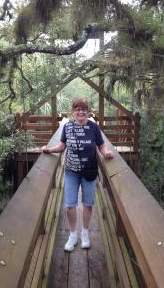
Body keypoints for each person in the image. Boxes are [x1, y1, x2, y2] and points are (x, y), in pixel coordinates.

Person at [42, 98, 114, 252]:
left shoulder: (94, 127)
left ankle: (85, 233)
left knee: (88, 203)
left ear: (87, 111)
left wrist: (106, 153)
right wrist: (50, 150)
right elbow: (62, 146)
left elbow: (101, 145)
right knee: (70, 205)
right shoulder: (67, 127)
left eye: (84, 109)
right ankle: (73, 235)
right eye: (77, 109)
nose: (81, 112)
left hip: (89, 172)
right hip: (71, 172)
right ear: (73, 112)